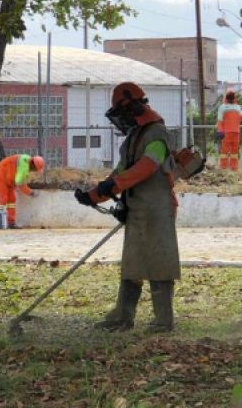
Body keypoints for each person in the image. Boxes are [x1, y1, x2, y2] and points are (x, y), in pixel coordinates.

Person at [74, 82, 180, 332]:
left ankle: (163, 319)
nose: (121, 119)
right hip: (137, 209)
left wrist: (116, 184)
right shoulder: (133, 138)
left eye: (122, 112)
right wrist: (95, 195)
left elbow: (148, 165)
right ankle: (123, 315)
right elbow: (121, 172)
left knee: (159, 262)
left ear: (133, 106)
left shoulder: (157, 134)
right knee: (132, 263)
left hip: (157, 209)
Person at [0, 154, 45, 229]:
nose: (34, 171)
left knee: (11, 200)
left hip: (9, 179)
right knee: (2, 199)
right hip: (0, 175)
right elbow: (20, 185)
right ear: (33, 165)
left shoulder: (26, 159)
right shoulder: (24, 169)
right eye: (35, 169)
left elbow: (17, 178)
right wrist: (31, 192)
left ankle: (11, 223)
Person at [216, 90, 242, 171]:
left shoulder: (237, 107)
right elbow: (220, 120)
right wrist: (220, 131)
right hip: (226, 133)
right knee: (224, 151)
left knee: (235, 151)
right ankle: (223, 167)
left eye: (231, 97)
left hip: (236, 132)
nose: (231, 99)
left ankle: (234, 167)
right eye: (230, 97)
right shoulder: (222, 107)